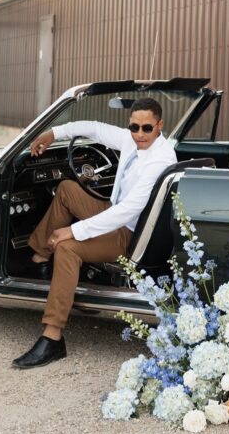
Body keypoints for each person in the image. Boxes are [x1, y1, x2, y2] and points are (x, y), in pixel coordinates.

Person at [12, 96, 176, 369]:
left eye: (146, 128)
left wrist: (73, 230)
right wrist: (53, 133)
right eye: (134, 127)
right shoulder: (131, 141)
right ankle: (41, 258)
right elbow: (95, 128)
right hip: (113, 211)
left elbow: (128, 211)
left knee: (68, 247)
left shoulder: (159, 159)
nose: (139, 134)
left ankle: (52, 338)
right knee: (66, 189)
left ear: (159, 125)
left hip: (129, 233)